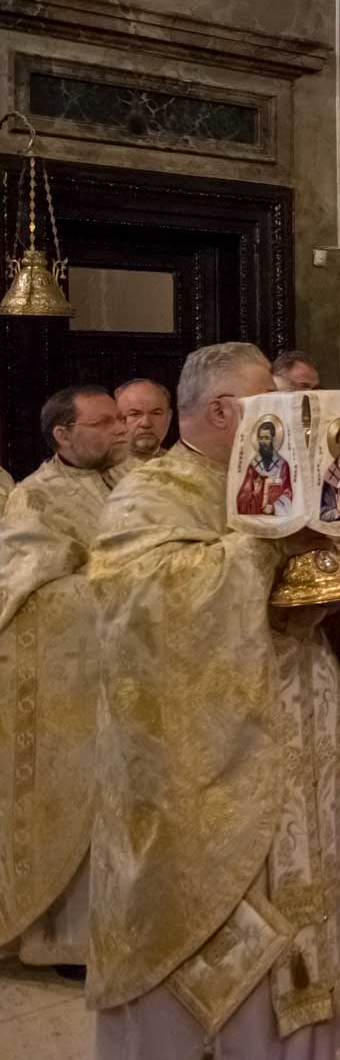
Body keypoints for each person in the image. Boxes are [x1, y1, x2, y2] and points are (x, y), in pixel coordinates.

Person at [90, 342, 340, 1058]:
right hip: (212, 766)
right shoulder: (150, 493)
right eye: (269, 405)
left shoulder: (256, 477)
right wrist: (265, 547)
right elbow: (148, 605)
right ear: (223, 410)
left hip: (293, 731)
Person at [0, 386, 121, 977]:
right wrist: (114, 584)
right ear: (63, 436)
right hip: (74, 684)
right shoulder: (34, 501)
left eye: (119, 419)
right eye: (102, 423)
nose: (119, 429)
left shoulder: (129, 482)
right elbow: (24, 597)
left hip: (131, 676)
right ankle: (71, 938)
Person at [235, 416, 296, 516]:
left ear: (273, 439)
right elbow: (242, 497)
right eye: (261, 438)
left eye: (266, 438)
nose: (263, 442)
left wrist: (274, 508)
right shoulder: (253, 466)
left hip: (276, 519)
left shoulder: (282, 465)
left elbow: (288, 492)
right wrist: (254, 494)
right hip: (256, 517)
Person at [114, 378, 173, 464]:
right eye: (135, 414)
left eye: (156, 413)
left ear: (169, 418)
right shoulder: (97, 472)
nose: (146, 423)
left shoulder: (188, 469)